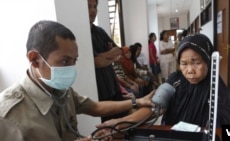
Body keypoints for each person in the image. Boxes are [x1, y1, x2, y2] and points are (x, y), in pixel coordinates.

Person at [0, 20, 154, 141]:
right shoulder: (7, 115)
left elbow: (95, 107)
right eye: (65, 62)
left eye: (75, 61)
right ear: (34, 60)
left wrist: (136, 102)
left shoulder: (62, 91)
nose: (72, 69)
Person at [98, 33, 230, 133]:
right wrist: (120, 123)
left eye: (197, 63)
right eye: (184, 64)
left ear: (208, 61)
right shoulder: (175, 80)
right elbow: (154, 106)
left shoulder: (216, 88)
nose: (190, 70)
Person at [88, 0, 128, 122]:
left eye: (95, 6)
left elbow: (119, 51)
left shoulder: (99, 31)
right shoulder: (83, 34)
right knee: (107, 127)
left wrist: (104, 56)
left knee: (121, 122)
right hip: (100, 91)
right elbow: (98, 62)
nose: (93, 10)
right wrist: (110, 56)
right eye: (89, 7)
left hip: (113, 85)